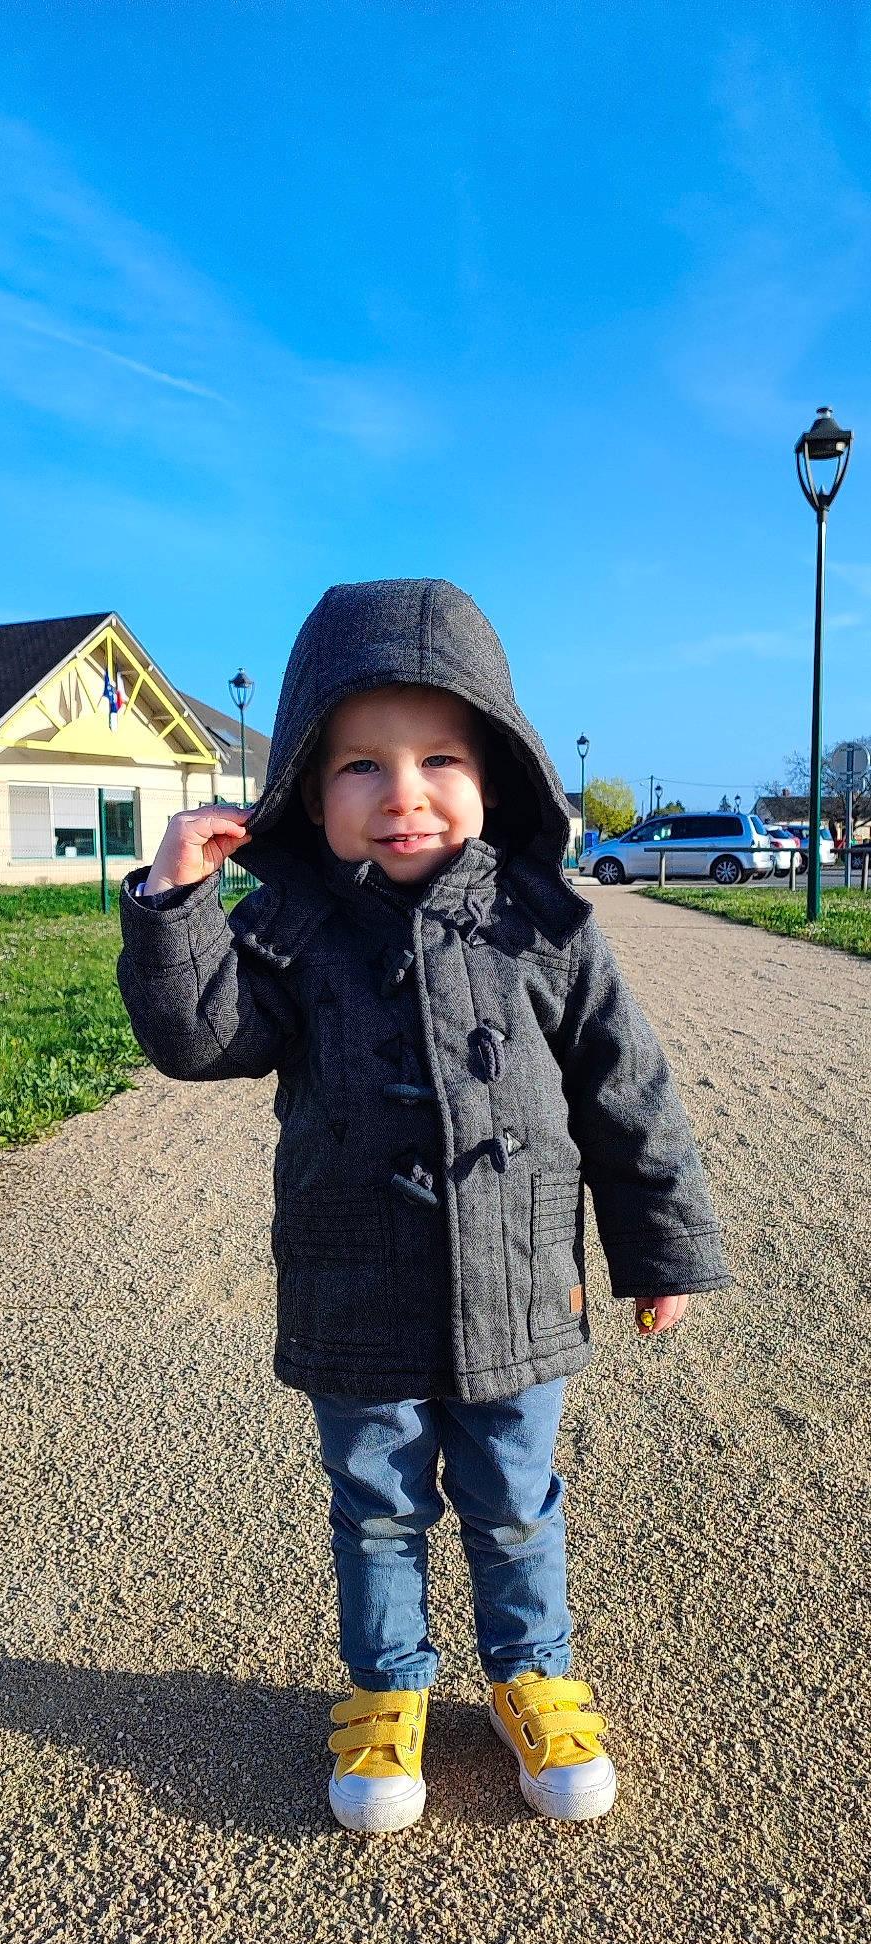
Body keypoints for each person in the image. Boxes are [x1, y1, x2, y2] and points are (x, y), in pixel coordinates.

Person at [117, 578, 731, 1834]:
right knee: (380, 1505)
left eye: (440, 756)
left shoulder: (545, 925)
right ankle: (388, 1688)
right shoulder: (286, 931)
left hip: (517, 1285)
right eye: (361, 766)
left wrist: (659, 1246)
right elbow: (200, 1040)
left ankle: (532, 1673)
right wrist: (177, 904)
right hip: (357, 1286)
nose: (403, 792)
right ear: (303, 787)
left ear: (497, 772)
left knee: (514, 1499)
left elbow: (631, 1096)